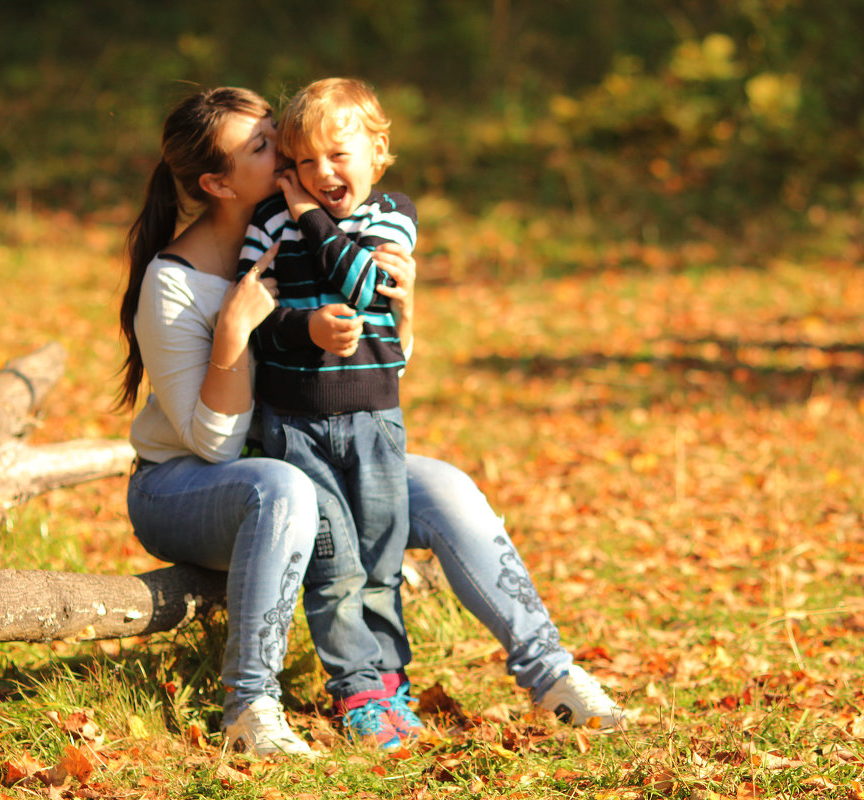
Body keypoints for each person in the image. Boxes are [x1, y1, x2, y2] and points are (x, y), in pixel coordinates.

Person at [118, 86, 624, 760]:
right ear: (216, 182)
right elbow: (215, 443)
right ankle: (251, 708)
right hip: (185, 488)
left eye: (280, 136)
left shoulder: (307, 232)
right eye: (267, 147)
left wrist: (404, 309)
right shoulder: (175, 282)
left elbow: (378, 366)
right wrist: (234, 333)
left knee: (445, 486)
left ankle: (551, 672)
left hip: (316, 451)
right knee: (284, 489)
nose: (292, 157)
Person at [236, 78, 416, 748]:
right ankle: (359, 695)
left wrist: (309, 214)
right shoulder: (268, 223)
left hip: (374, 422)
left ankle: (394, 682)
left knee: (381, 559)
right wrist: (301, 329)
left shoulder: (393, 214)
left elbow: (367, 284)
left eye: (339, 155)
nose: (322, 174)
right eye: (305, 162)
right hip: (296, 425)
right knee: (335, 563)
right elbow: (255, 314)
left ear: (378, 150)